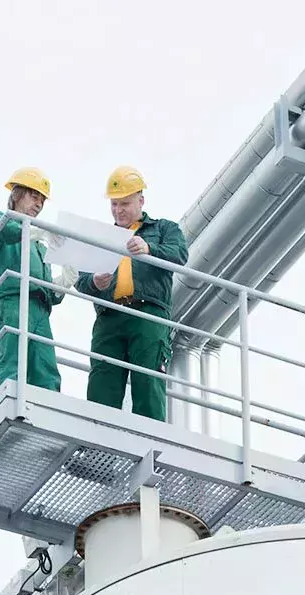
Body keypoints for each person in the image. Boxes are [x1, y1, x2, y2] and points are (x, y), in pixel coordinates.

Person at [77, 166, 188, 421]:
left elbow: (180, 253)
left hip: (147, 315)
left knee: (148, 382)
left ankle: (150, 440)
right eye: (114, 204)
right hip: (109, 317)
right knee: (102, 383)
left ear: (141, 201)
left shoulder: (163, 229)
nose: (118, 210)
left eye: (125, 204)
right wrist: (95, 282)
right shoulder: (101, 237)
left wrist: (150, 249)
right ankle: (97, 439)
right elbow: (81, 281)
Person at [0, 167, 62, 394]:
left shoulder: (39, 246)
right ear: (17, 194)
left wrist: (65, 281)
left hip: (40, 309)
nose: (39, 204)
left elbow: (51, 293)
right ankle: (4, 403)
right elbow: (6, 230)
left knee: (46, 369)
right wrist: (37, 231)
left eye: (42, 201)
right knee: (12, 361)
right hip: (13, 302)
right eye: (34, 197)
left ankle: (48, 409)